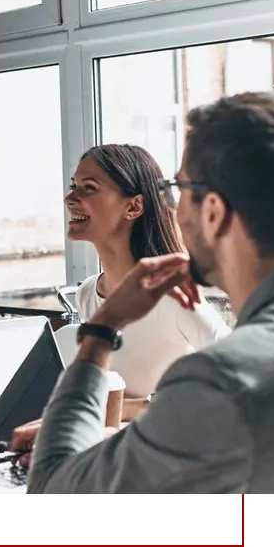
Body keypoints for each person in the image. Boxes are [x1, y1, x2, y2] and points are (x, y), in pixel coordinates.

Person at [13, 91, 274, 493]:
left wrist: (102, 330)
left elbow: (57, 491)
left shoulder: (220, 380)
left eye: (176, 189)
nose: (171, 207)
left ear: (214, 212)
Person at [64, 143, 230, 416]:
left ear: (134, 206)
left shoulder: (172, 296)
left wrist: (131, 408)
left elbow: (240, 374)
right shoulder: (88, 293)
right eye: (74, 185)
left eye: (89, 187)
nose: (70, 198)